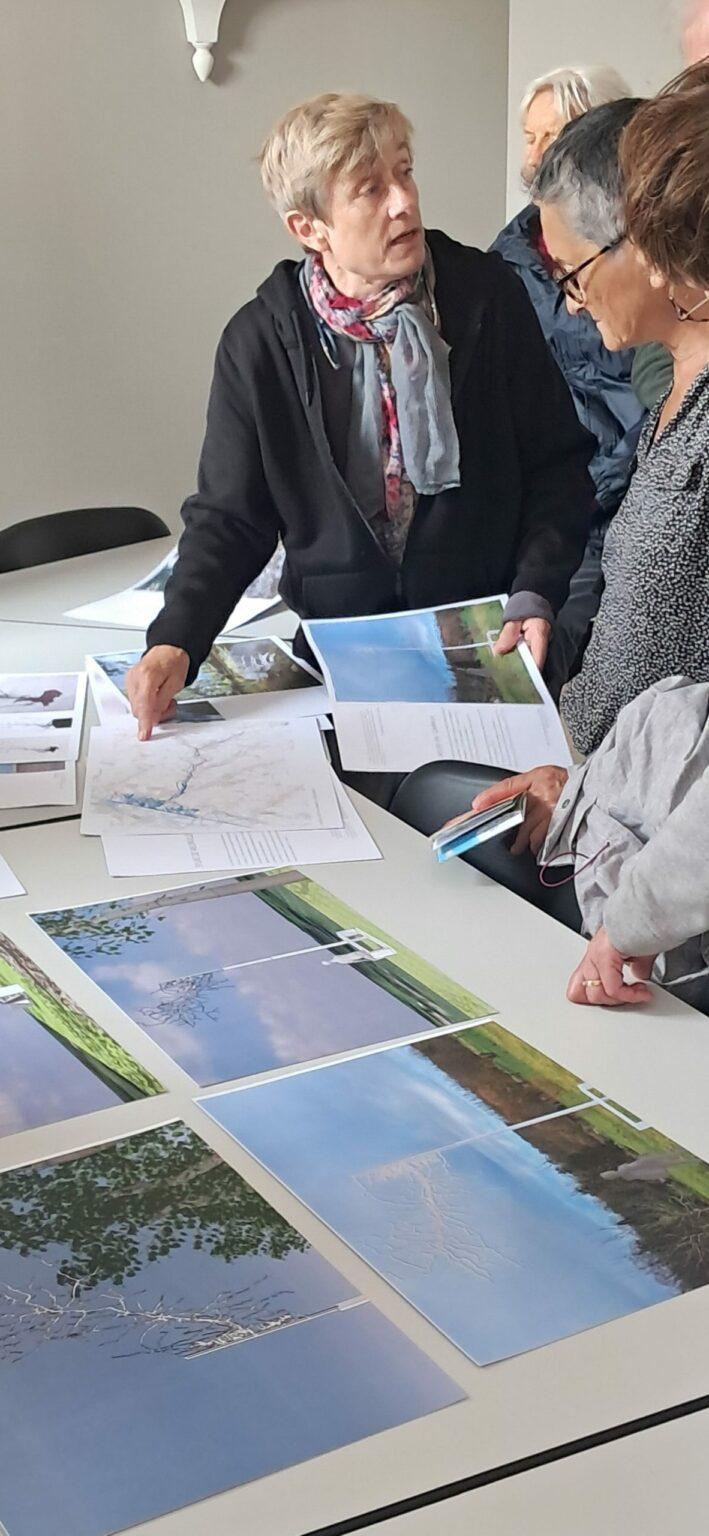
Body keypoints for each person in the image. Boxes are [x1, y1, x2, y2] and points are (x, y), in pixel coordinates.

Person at [125, 93, 594, 744]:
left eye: (405, 172)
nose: (403, 202)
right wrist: (176, 639)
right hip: (337, 666)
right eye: (370, 189)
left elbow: (557, 469)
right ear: (308, 227)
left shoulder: (486, 297)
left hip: (485, 650)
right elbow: (230, 518)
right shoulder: (260, 342)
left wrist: (536, 590)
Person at [531, 78, 709, 757]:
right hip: (601, 778)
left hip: (653, 809)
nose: (572, 302)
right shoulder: (668, 385)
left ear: (640, 238)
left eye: (572, 273)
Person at [492, 65, 645, 697]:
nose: (534, 159)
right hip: (553, 504)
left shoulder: (641, 278)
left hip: (617, 503)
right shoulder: (502, 263)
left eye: (553, 137)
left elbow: (647, 410)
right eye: (529, 138)